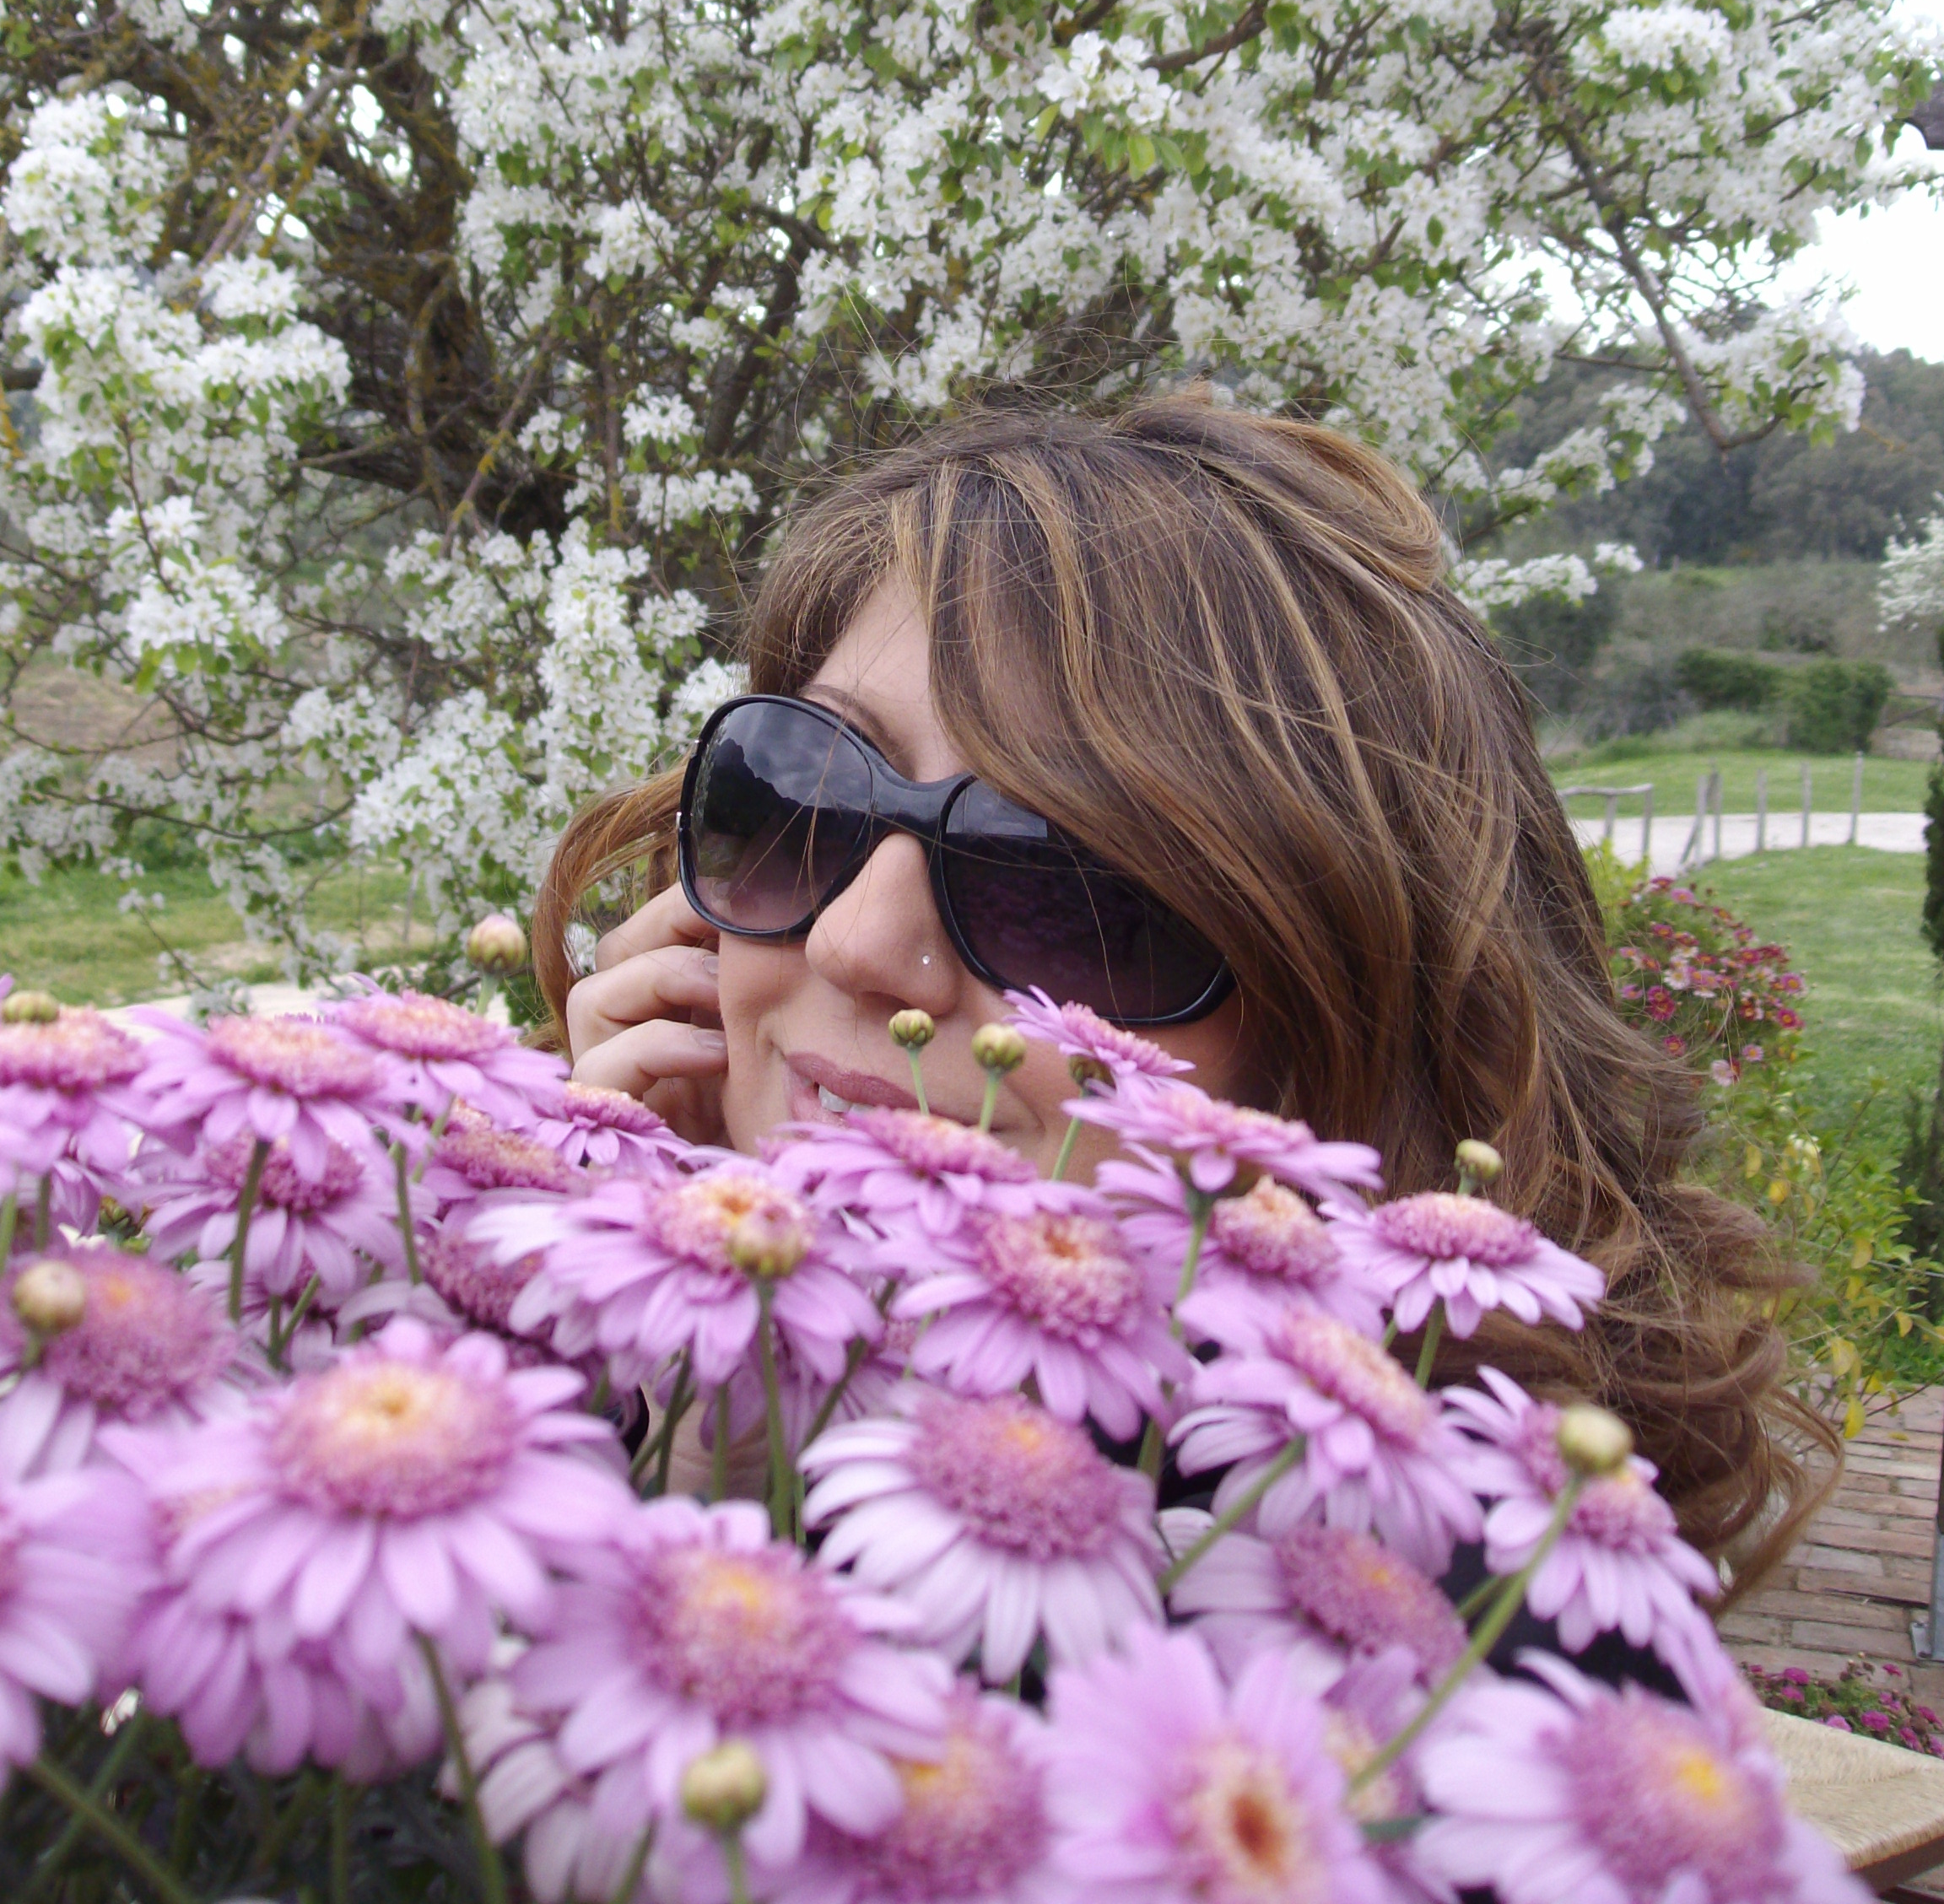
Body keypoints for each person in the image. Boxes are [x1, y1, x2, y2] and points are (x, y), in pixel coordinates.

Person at [532, 394, 1826, 1578]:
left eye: (1064, 882)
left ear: (1351, 1046)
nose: (855, 945)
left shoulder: (1391, 1639)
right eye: (808, 798)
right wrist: (687, 1387)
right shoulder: (556, 1368)